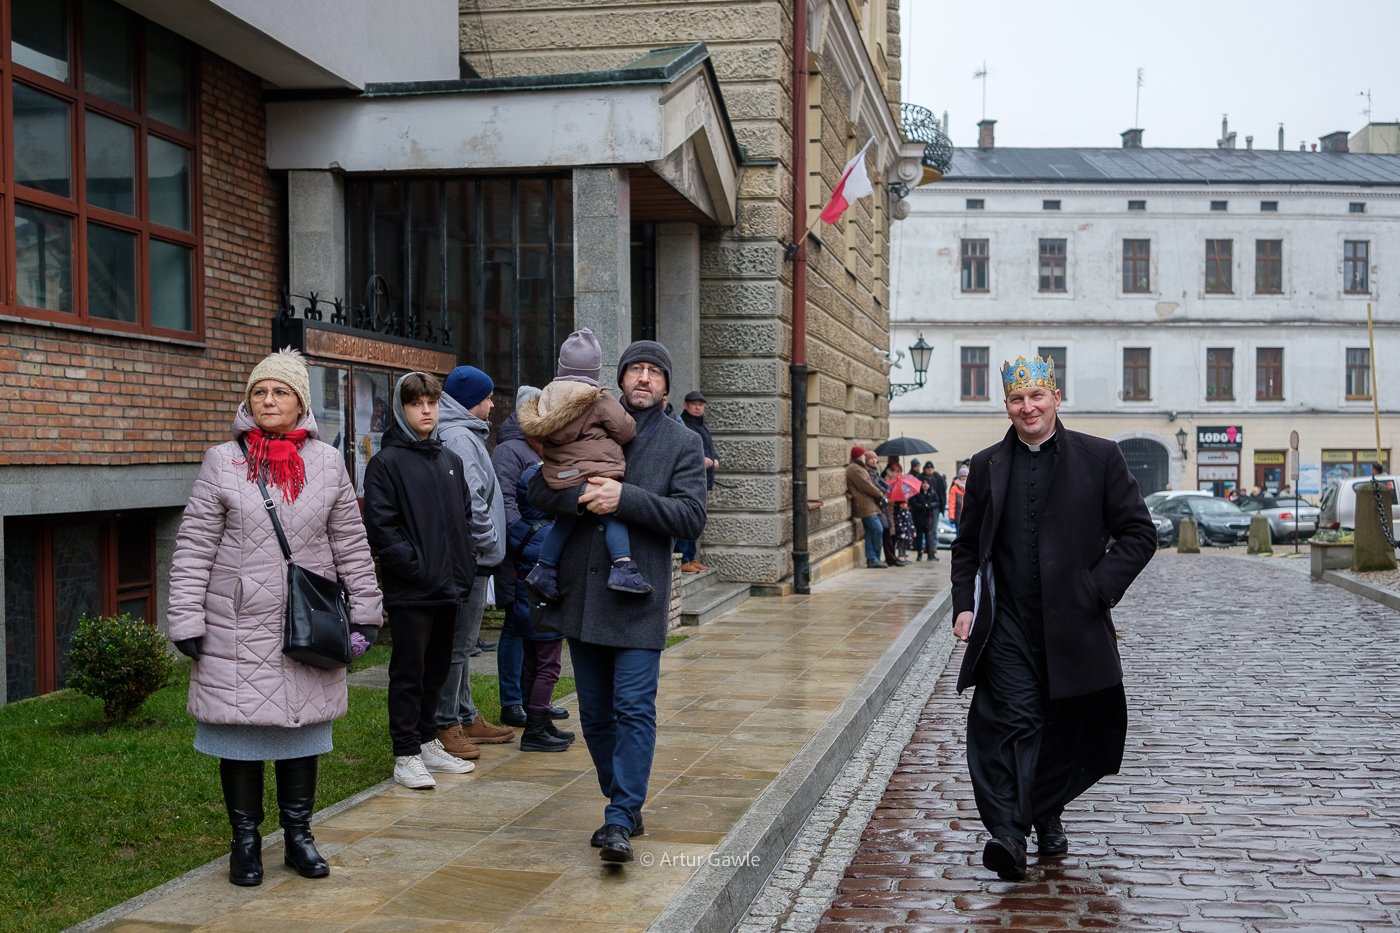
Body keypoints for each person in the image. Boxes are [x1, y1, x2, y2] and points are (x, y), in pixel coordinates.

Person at [169, 349, 384, 887]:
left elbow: (351, 544)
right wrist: (186, 618)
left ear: (300, 403)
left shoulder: (328, 463)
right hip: (236, 624)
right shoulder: (224, 461)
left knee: (300, 734)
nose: (268, 401)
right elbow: (194, 545)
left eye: (280, 392)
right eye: (259, 392)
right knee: (238, 737)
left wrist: (366, 608)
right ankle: (244, 843)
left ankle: (298, 838)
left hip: (305, 622)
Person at [950, 354, 1156, 882]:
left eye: (1037, 397)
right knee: (1008, 724)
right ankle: (1009, 835)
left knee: (1068, 730)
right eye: (1018, 400)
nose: (1028, 407)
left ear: (1055, 399)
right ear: (1007, 407)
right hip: (1010, 625)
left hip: (1075, 623)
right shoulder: (987, 466)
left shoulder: (1101, 458)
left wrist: (1098, 589)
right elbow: (968, 546)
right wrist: (965, 605)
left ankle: (1047, 811)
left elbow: (1139, 534)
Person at [528, 339, 707, 864]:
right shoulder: (581, 417)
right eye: (636, 371)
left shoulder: (682, 443)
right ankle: (622, 800)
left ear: (667, 384)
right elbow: (534, 491)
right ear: (620, 380)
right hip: (581, 595)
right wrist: (579, 494)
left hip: (636, 595)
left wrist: (623, 498)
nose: (644, 380)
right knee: (597, 716)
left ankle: (620, 815)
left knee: (633, 708)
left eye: (654, 372)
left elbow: (691, 517)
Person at [363, 372, 480, 791]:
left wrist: (463, 567)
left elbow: (463, 520)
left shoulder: (450, 460)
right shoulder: (386, 464)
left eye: (431, 402)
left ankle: (428, 739)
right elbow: (382, 528)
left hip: (449, 587)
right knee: (409, 672)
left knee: (437, 671)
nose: (426, 410)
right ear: (401, 408)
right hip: (413, 590)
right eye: (417, 403)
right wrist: (416, 567)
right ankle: (405, 753)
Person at [520, 328, 649, 601]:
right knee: (612, 514)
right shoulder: (598, 398)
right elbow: (626, 432)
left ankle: (543, 569)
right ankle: (623, 567)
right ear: (596, 369)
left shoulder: (547, 396)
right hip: (593, 473)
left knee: (565, 520)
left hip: (560, 475)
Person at [433, 365, 516, 760]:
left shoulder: (464, 434)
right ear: (470, 403)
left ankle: (464, 714)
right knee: (458, 645)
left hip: (476, 556)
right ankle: (447, 722)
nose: (492, 403)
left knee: (463, 644)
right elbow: (473, 501)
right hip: (471, 557)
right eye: (486, 397)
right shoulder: (461, 438)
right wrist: (490, 542)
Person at [492, 384, 565, 729]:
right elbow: (504, 500)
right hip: (520, 553)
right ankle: (513, 701)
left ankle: (535, 700)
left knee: (534, 635)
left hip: (537, 547)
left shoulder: (541, 445)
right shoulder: (511, 450)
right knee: (515, 628)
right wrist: (526, 537)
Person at [508, 460, 577, 752]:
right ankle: (535, 729)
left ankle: (540, 720)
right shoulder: (551, 533)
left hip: (525, 606)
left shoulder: (519, 527)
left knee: (532, 664)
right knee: (549, 667)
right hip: (544, 606)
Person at [678, 389, 720, 572]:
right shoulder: (683, 424)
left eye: (700, 405)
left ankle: (691, 557)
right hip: (689, 481)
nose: (697, 407)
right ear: (686, 406)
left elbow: (709, 448)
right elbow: (685, 452)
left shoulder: (701, 426)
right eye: (694, 404)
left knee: (696, 520)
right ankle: (683, 559)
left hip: (702, 482)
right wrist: (701, 461)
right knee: (686, 519)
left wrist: (716, 458)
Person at [845, 445, 886, 568]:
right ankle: (874, 558)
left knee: (870, 532)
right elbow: (866, 485)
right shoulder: (855, 469)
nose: (864, 457)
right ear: (859, 456)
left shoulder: (859, 467)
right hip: (865, 505)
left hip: (869, 504)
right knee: (878, 530)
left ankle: (872, 558)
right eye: (863, 455)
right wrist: (879, 494)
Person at [947, 463, 969, 529]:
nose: (964, 478)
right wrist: (951, 516)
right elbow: (951, 503)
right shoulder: (954, 488)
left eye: (966, 476)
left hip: (968, 517)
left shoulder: (971, 487)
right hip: (958, 517)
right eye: (962, 476)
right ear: (959, 477)